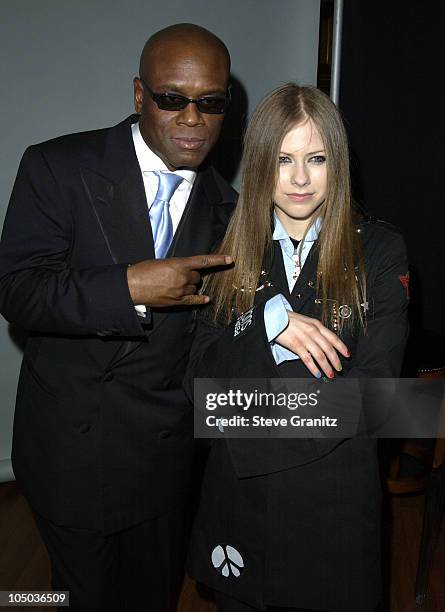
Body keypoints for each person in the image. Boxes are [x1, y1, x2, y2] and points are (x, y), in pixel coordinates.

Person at [0, 23, 236, 611]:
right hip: (69, 451)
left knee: (152, 595)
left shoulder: (230, 209)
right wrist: (128, 286)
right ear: (138, 95)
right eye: (171, 98)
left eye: (210, 102)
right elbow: (16, 289)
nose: (191, 118)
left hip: (161, 460)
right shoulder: (58, 166)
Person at [184, 84, 409, 611]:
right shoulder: (224, 251)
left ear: (340, 162)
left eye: (317, 158)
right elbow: (197, 388)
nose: (301, 178)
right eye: (283, 159)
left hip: (331, 505)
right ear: (259, 163)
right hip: (240, 506)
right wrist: (267, 325)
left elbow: (374, 402)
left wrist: (239, 424)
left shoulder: (379, 249)